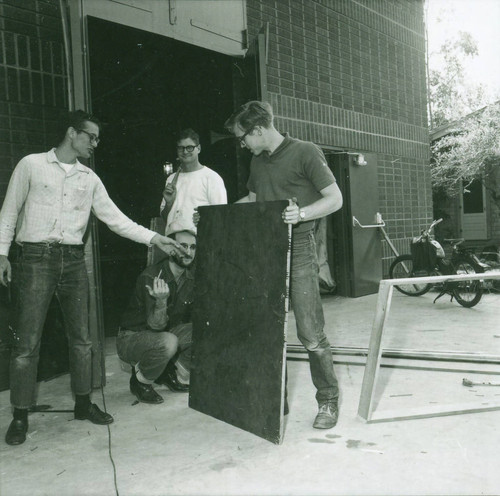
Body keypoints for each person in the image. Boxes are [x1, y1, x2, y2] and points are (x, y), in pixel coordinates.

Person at [0, 110, 185, 446]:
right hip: (34, 259)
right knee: (26, 343)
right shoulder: (31, 165)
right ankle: (20, 415)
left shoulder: (89, 179)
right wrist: (1, 253)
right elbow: (9, 211)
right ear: (72, 133)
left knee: (83, 339)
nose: (95, 144)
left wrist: (154, 238)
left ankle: (83, 404)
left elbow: (116, 219)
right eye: (91, 137)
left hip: (72, 261)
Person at [224, 101, 343, 429]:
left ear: (258, 130)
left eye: (243, 137)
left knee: (309, 332)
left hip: (300, 248)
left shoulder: (305, 152)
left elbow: (335, 198)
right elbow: (251, 199)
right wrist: (215, 215)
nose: (242, 143)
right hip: (265, 250)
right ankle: (274, 400)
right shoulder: (257, 162)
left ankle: (329, 400)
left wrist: (301, 214)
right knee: (267, 330)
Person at [117, 220, 196, 404]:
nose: (188, 252)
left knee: (206, 327)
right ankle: (140, 381)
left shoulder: (190, 278)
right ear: (170, 248)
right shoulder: (152, 276)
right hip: (132, 338)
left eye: (193, 247)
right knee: (169, 342)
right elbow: (155, 325)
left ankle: (168, 372)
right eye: (183, 246)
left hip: (163, 334)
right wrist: (161, 300)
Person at [160, 128, 227, 232]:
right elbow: (165, 219)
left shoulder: (212, 178)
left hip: (198, 243)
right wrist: (169, 203)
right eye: (181, 148)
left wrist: (205, 219)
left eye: (190, 147)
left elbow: (221, 217)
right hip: (173, 243)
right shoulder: (171, 178)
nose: (185, 151)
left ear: (199, 148)